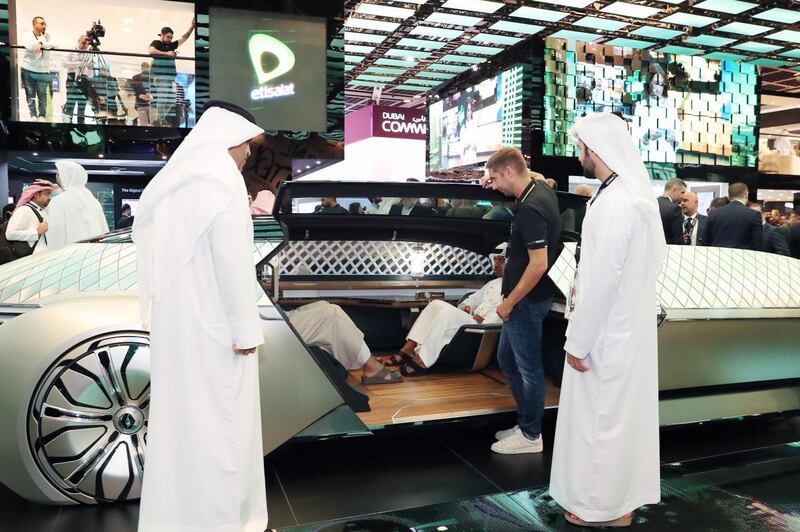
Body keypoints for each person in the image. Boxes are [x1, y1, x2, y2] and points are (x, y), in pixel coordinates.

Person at [133, 101, 268, 532]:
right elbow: (232, 263)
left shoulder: (178, 181)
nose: (248, 153)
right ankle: (225, 521)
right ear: (231, 137)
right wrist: (246, 327)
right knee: (224, 427)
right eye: (247, 143)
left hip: (178, 327)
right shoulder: (221, 180)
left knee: (183, 427)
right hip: (217, 330)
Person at [550, 112, 666, 528]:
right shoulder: (625, 196)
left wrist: (577, 342)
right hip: (620, 332)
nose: (579, 153)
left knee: (600, 423)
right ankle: (617, 503)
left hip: (603, 336)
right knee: (617, 420)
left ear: (593, 148)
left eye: (580, 146)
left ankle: (599, 508)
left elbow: (600, 280)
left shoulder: (617, 203)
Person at [481, 148, 561, 455]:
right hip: (525, 301)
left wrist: (509, 303)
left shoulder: (530, 209)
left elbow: (538, 265)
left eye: (496, 179)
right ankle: (527, 420)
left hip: (525, 303)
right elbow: (540, 176)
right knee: (507, 360)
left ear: (510, 172)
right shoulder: (540, 186)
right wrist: (489, 176)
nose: (496, 186)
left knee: (528, 369)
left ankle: (531, 435)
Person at [388, 245, 506, 376]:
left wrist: (485, 320)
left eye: (500, 260)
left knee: (447, 313)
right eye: (495, 260)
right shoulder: (492, 284)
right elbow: (469, 301)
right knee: (436, 304)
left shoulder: (516, 288)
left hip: (484, 329)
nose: (495, 264)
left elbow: (508, 316)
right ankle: (408, 348)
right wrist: (466, 308)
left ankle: (421, 360)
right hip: (471, 321)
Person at [286, 301, 402, 384]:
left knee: (323, 304)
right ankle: (371, 366)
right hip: (276, 327)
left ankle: (363, 355)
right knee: (332, 313)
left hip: (277, 316)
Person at [46, 161, 109, 248]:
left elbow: (55, 237)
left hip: (69, 257)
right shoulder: (93, 201)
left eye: (58, 174)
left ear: (62, 177)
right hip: (94, 255)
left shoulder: (58, 201)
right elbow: (104, 232)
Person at [148, 19, 195, 125]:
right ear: (162, 35)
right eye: (168, 37)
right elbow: (151, 51)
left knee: (171, 99)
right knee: (163, 97)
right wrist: (168, 54)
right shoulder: (157, 43)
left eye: (171, 37)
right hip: (161, 75)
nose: (170, 39)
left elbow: (184, 38)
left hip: (171, 77)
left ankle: (162, 117)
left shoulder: (171, 45)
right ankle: (161, 118)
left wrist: (191, 27)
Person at [633, 71, 680, 164]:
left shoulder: (671, 107)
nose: (658, 88)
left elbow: (678, 141)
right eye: (655, 83)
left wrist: (674, 141)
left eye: (661, 84)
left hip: (667, 161)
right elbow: (634, 140)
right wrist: (646, 137)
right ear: (649, 84)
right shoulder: (641, 107)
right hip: (646, 160)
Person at [705, 183, 762, 250]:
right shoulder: (754, 215)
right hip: (743, 258)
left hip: (719, 258)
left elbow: (706, 242)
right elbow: (758, 245)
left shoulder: (713, 214)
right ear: (746, 195)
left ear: (729, 196)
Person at [5, 182, 56, 255]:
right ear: (36, 194)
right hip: (31, 257)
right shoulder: (24, 210)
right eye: (47, 194)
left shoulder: (43, 210)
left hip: (44, 255)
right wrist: (36, 231)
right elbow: (10, 234)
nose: (49, 197)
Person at [21, 16, 56, 121]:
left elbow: (54, 43)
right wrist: (41, 43)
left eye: (45, 24)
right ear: (34, 24)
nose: (44, 26)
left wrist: (41, 43)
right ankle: (33, 115)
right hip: (28, 69)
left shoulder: (48, 36)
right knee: (30, 93)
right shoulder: (27, 35)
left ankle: (42, 115)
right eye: (42, 23)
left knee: (42, 94)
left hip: (43, 71)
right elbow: (30, 46)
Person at [61, 35, 92, 124]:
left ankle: (81, 127)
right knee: (71, 104)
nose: (85, 46)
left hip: (85, 80)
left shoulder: (88, 53)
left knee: (82, 106)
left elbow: (90, 70)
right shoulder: (71, 50)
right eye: (83, 43)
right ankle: (68, 126)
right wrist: (79, 63)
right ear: (78, 41)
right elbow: (64, 63)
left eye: (87, 44)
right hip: (72, 77)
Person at [657, 178, 685, 245]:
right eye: (682, 192)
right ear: (674, 190)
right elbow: (677, 240)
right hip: (667, 251)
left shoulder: (652, 203)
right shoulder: (675, 209)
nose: (683, 196)